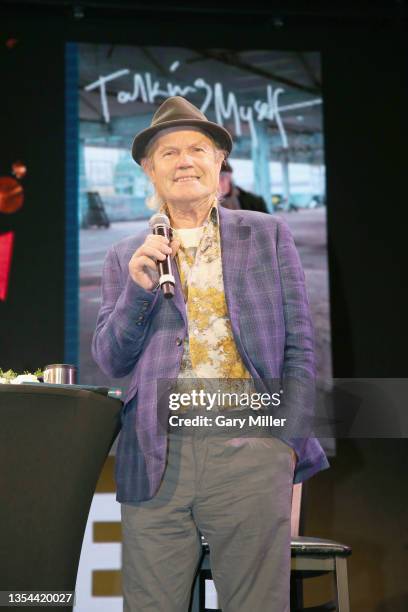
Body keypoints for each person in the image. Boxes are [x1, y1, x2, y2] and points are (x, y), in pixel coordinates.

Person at [92, 96, 329, 612]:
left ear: (219, 162)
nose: (184, 160)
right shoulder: (124, 255)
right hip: (156, 454)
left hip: (250, 448)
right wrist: (138, 288)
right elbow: (111, 360)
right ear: (148, 169)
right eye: (169, 152)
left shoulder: (268, 235)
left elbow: (301, 348)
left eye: (197, 148)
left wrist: (284, 444)